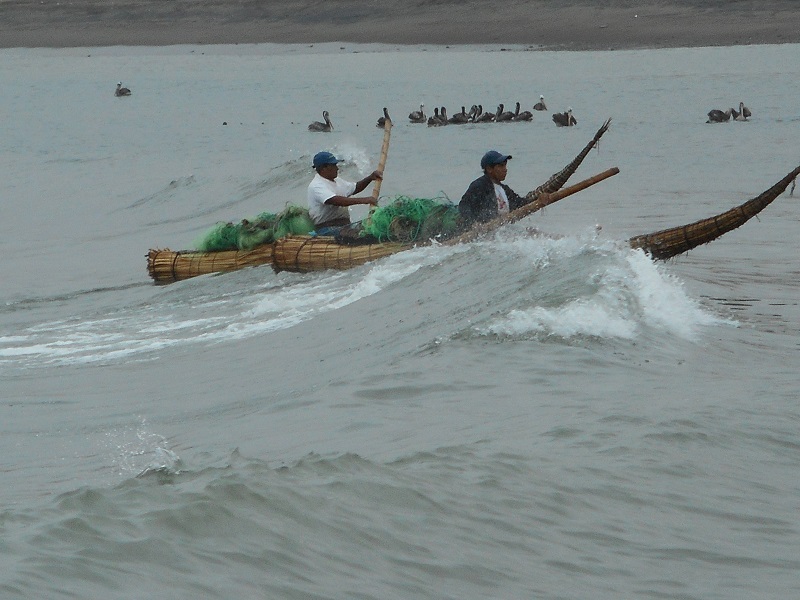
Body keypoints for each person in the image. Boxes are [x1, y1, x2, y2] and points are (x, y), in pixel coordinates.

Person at [307, 151, 382, 235]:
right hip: (326, 228)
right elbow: (336, 201)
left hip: (345, 225)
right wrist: (365, 200)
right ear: (324, 168)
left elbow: (355, 188)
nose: (337, 168)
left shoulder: (337, 181)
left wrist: (370, 178)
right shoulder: (316, 185)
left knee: (370, 229)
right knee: (357, 234)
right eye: (334, 165)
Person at [459, 150, 528, 225]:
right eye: (501, 166)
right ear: (489, 169)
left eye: (505, 165)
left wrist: (536, 195)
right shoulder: (479, 185)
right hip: (485, 229)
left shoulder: (505, 189)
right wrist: (473, 223)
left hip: (502, 229)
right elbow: (464, 206)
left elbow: (520, 204)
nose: (505, 169)